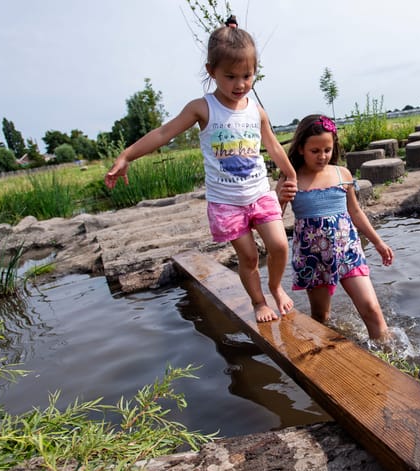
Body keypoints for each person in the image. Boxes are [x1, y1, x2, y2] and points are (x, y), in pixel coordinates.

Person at [105, 23, 298, 323]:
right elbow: (164, 133)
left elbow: (272, 145)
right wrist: (127, 154)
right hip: (227, 202)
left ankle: (275, 286)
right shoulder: (202, 108)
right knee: (248, 257)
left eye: (247, 76)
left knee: (280, 245)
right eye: (230, 77)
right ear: (211, 71)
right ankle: (259, 302)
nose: (240, 84)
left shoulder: (256, 110)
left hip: (259, 193)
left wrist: (290, 173)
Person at [277, 114, 394, 343]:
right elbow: (275, 218)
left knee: (371, 308)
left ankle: (390, 358)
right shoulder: (290, 178)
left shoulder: (343, 175)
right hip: (313, 257)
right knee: (321, 316)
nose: (322, 156)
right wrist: (280, 199)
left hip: (348, 251)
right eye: (315, 151)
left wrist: (378, 242)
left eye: (327, 150)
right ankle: (328, 360)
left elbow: (356, 212)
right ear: (300, 149)